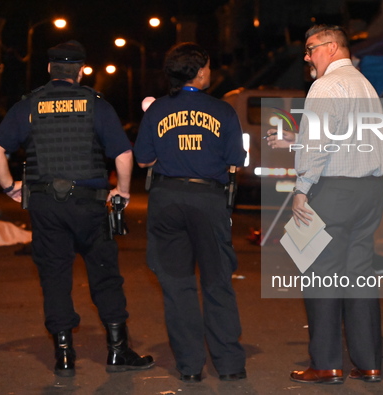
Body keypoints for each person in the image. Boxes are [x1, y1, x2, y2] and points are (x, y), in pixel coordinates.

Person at [0, 40, 154, 377]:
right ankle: (117, 351)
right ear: (80, 71)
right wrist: (121, 191)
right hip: (90, 204)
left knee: (54, 277)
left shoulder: (29, 105)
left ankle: (64, 355)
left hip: (46, 204)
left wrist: (9, 187)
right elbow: (123, 154)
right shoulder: (96, 105)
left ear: (49, 69)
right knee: (105, 275)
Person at [133, 42, 247, 383]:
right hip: (208, 199)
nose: (210, 72)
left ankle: (190, 367)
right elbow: (234, 160)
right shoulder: (223, 111)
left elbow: (143, 159)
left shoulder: (157, 111)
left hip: (167, 198)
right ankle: (229, 365)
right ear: (199, 72)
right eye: (208, 67)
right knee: (217, 283)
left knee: (178, 285)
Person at [288, 25, 383, 384]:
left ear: (331, 48)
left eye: (310, 48)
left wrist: (302, 189)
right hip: (370, 190)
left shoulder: (325, 86)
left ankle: (327, 363)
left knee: (321, 276)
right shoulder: (365, 85)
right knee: (359, 278)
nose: (306, 56)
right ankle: (369, 362)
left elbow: (318, 145)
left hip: (335, 192)